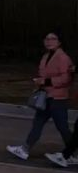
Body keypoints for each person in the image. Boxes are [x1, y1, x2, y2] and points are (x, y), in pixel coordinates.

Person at [8, 31, 74, 161]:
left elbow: (66, 78)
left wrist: (46, 82)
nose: (49, 41)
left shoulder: (63, 58)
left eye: (53, 39)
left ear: (59, 42)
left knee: (62, 127)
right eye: (47, 39)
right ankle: (24, 149)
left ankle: (71, 153)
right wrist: (39, 81)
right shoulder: (46, 56)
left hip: (58, 99)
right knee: (37, 123)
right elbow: (44, 74)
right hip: (45, 97)